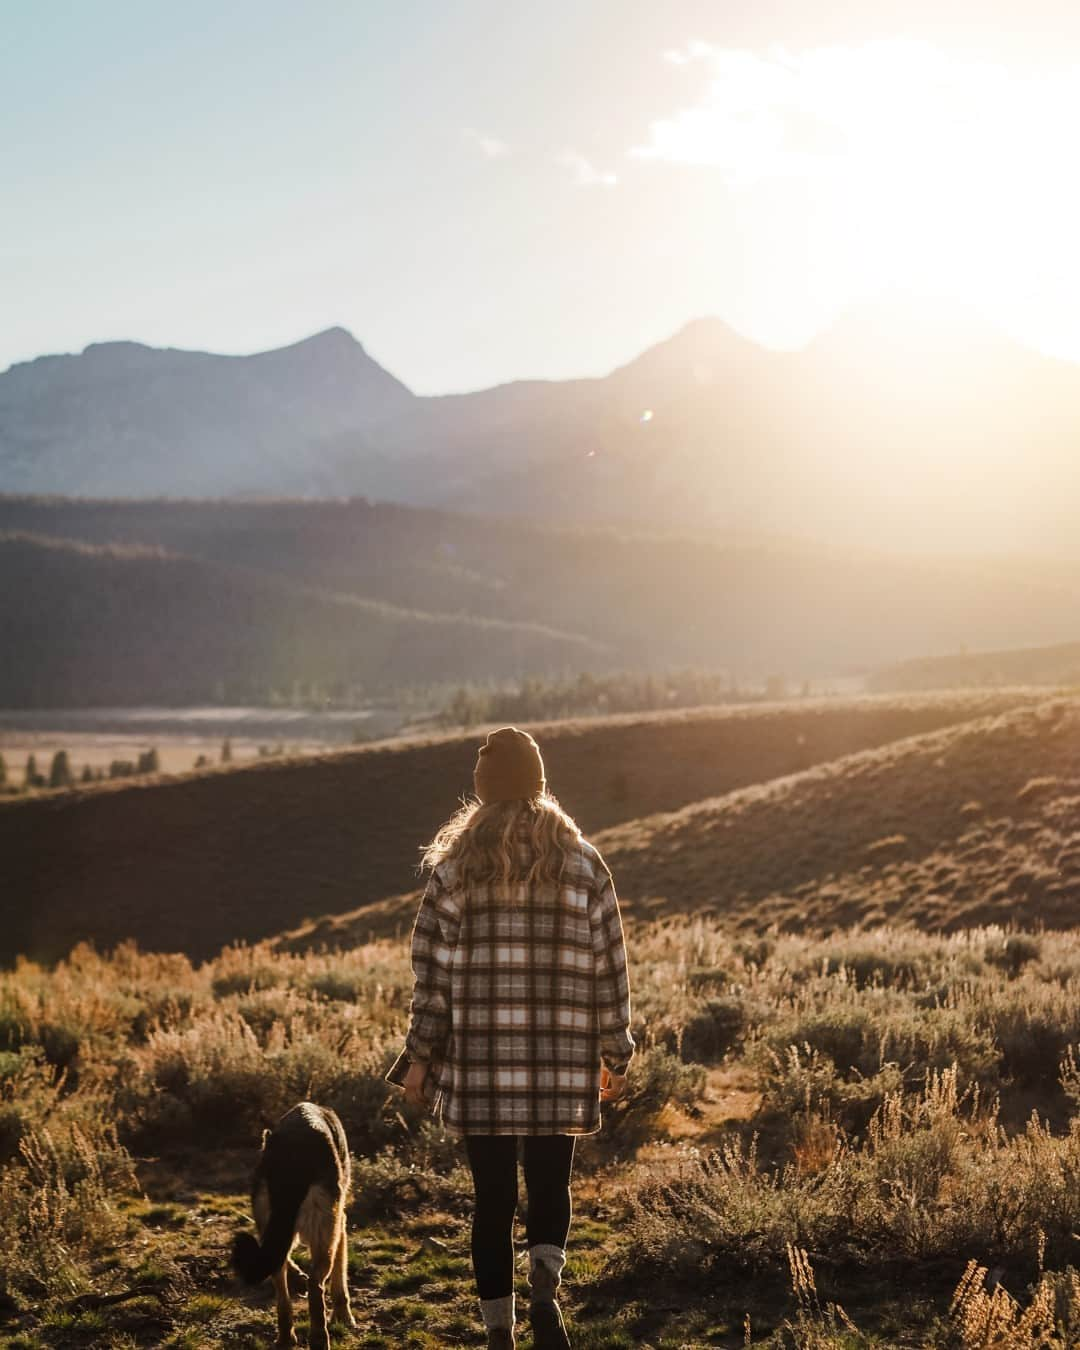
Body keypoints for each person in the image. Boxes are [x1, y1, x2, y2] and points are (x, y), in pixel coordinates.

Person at [387, 726, 635, 1350]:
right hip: (560, 1058)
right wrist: (616, 1048)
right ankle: (546, 1298)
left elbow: (431, 977)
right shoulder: (583, 864)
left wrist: (419, 1059)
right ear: (540, 782)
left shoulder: (454, 869)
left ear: (483, 790)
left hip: (482, 1063)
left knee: (492, 1201)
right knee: (552, 1183)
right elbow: (611, 962)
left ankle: (499, 1333)